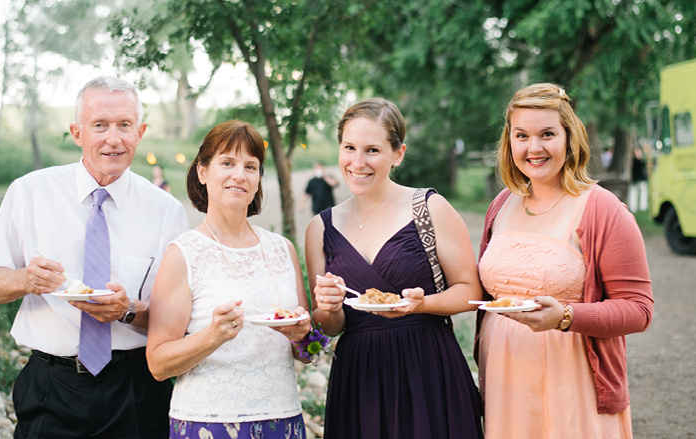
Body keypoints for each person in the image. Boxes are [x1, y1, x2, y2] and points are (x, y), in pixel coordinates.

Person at [0, 76, 189, 439]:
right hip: (51, 384)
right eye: (100, 125)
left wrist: (127, 310)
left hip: (135, 387)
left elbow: (176, 321)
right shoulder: (29, 193)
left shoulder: (167, 211)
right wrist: (24, 279)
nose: (113, 138)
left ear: (140, 132)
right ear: (77, 132)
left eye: (124, 125)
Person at [476, 83, 654, 438]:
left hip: (573, 382)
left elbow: (639, 310)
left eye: (547, 134)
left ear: (570, 138)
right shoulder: (502, 204)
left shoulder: (603, 209)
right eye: (521, 135)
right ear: (509, 142)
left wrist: (566, 316)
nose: (534, 147)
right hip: (504, 377)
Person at [306, 98, 484, 439]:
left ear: (397, 154)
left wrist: (423, 304)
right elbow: (330, 327)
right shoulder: (319, 228)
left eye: (372, 150)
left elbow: (470, 291)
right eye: (349, 148)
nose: (358, 162)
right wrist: (327, 308)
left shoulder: (429, 208)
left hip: (427, 367)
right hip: (360, 378)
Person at [147, 120, 311, 439]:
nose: (240, 175)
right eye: (227, 163)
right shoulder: (183, 253)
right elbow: (158, 363)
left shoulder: (283, 249)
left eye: (251, 166)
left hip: (282, 419)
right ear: (203, 172)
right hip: (208, 423)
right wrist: (213, 336)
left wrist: (303, 335)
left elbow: (306, 352)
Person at [628, 146, 648, 212]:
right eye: (637, 152)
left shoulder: (639, 160)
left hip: (641, 179)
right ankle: (633, 207)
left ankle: (643, 206)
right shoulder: (635, 160)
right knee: (634, 192)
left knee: (643, 192)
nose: (638, 153)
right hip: (635, 179)